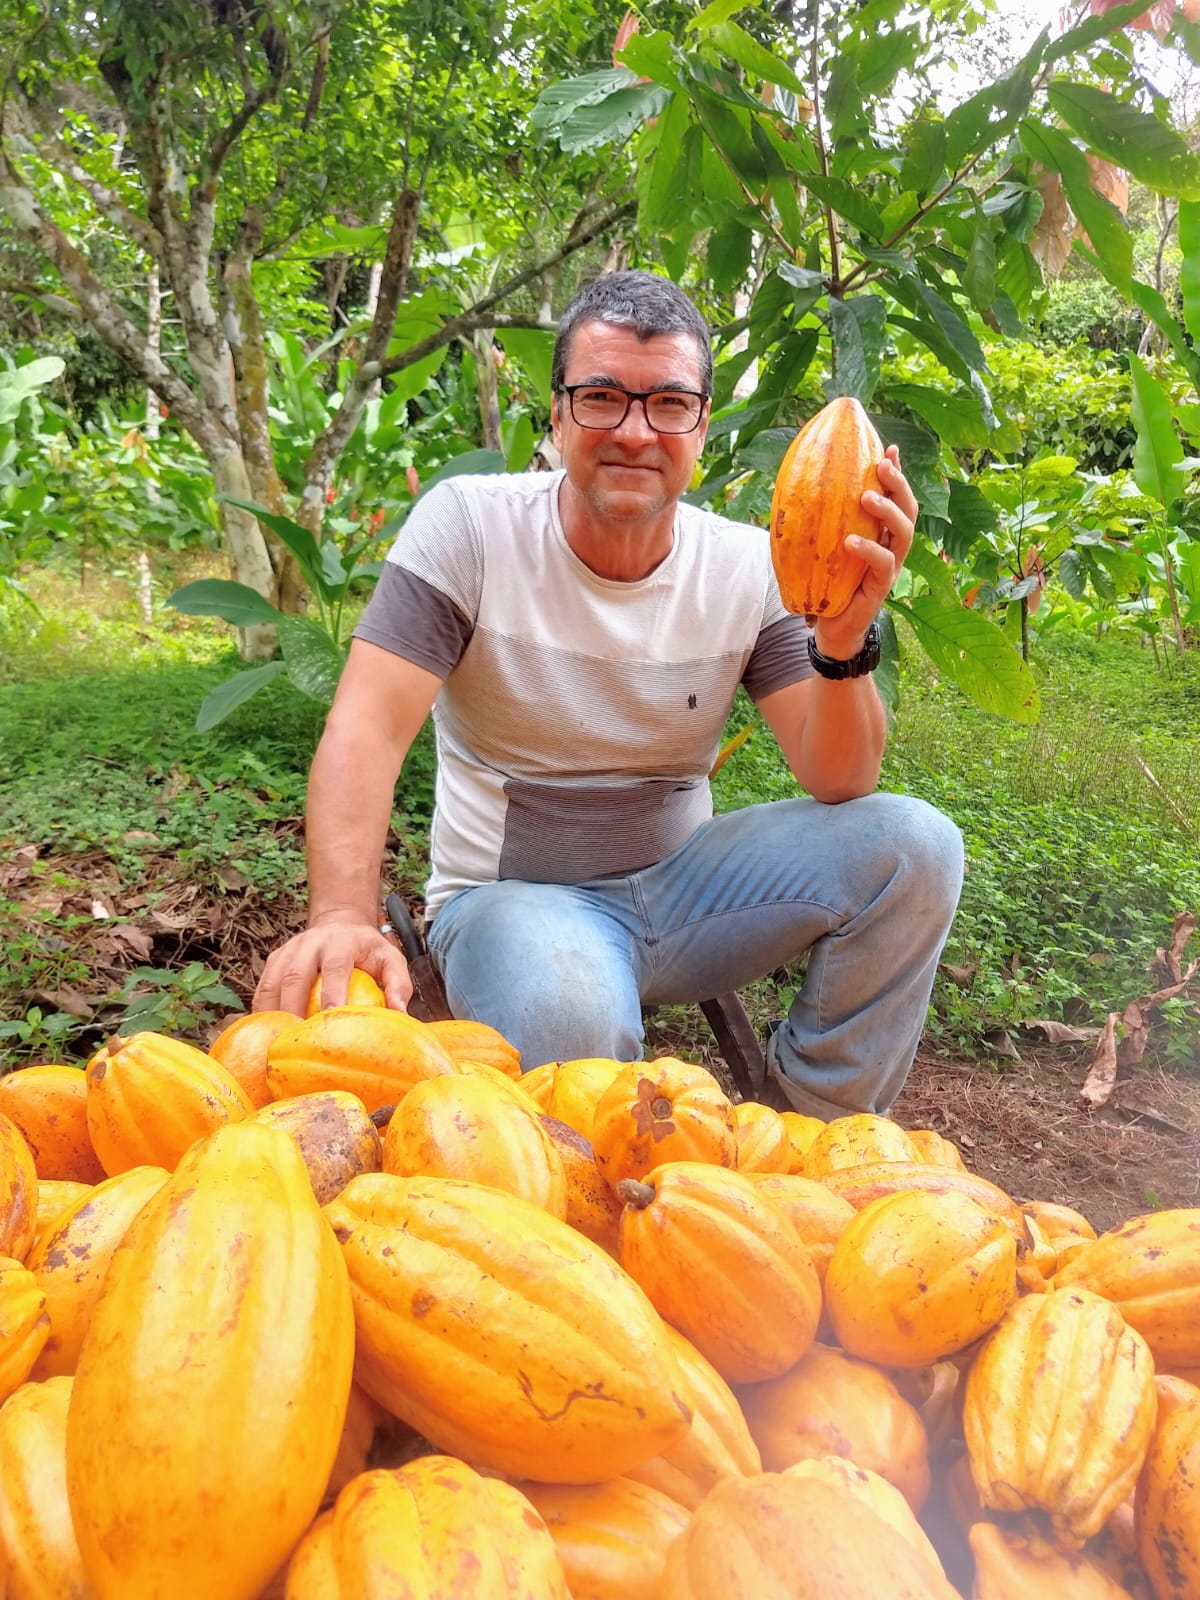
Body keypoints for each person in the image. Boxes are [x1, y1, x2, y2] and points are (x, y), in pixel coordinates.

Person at [254, 270, 964, 1119]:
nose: (635, 431)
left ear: (700, 426)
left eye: (669, 404)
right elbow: (366, 726)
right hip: (514, 900)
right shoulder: (472, 529)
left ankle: (811, 1135)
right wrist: (341, 913)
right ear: (555, 415)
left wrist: (844, 645)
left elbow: (837, 780)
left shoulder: (746, 567)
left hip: (687, 893)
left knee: (915, 845)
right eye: (601, 398)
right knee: (572, 1021)